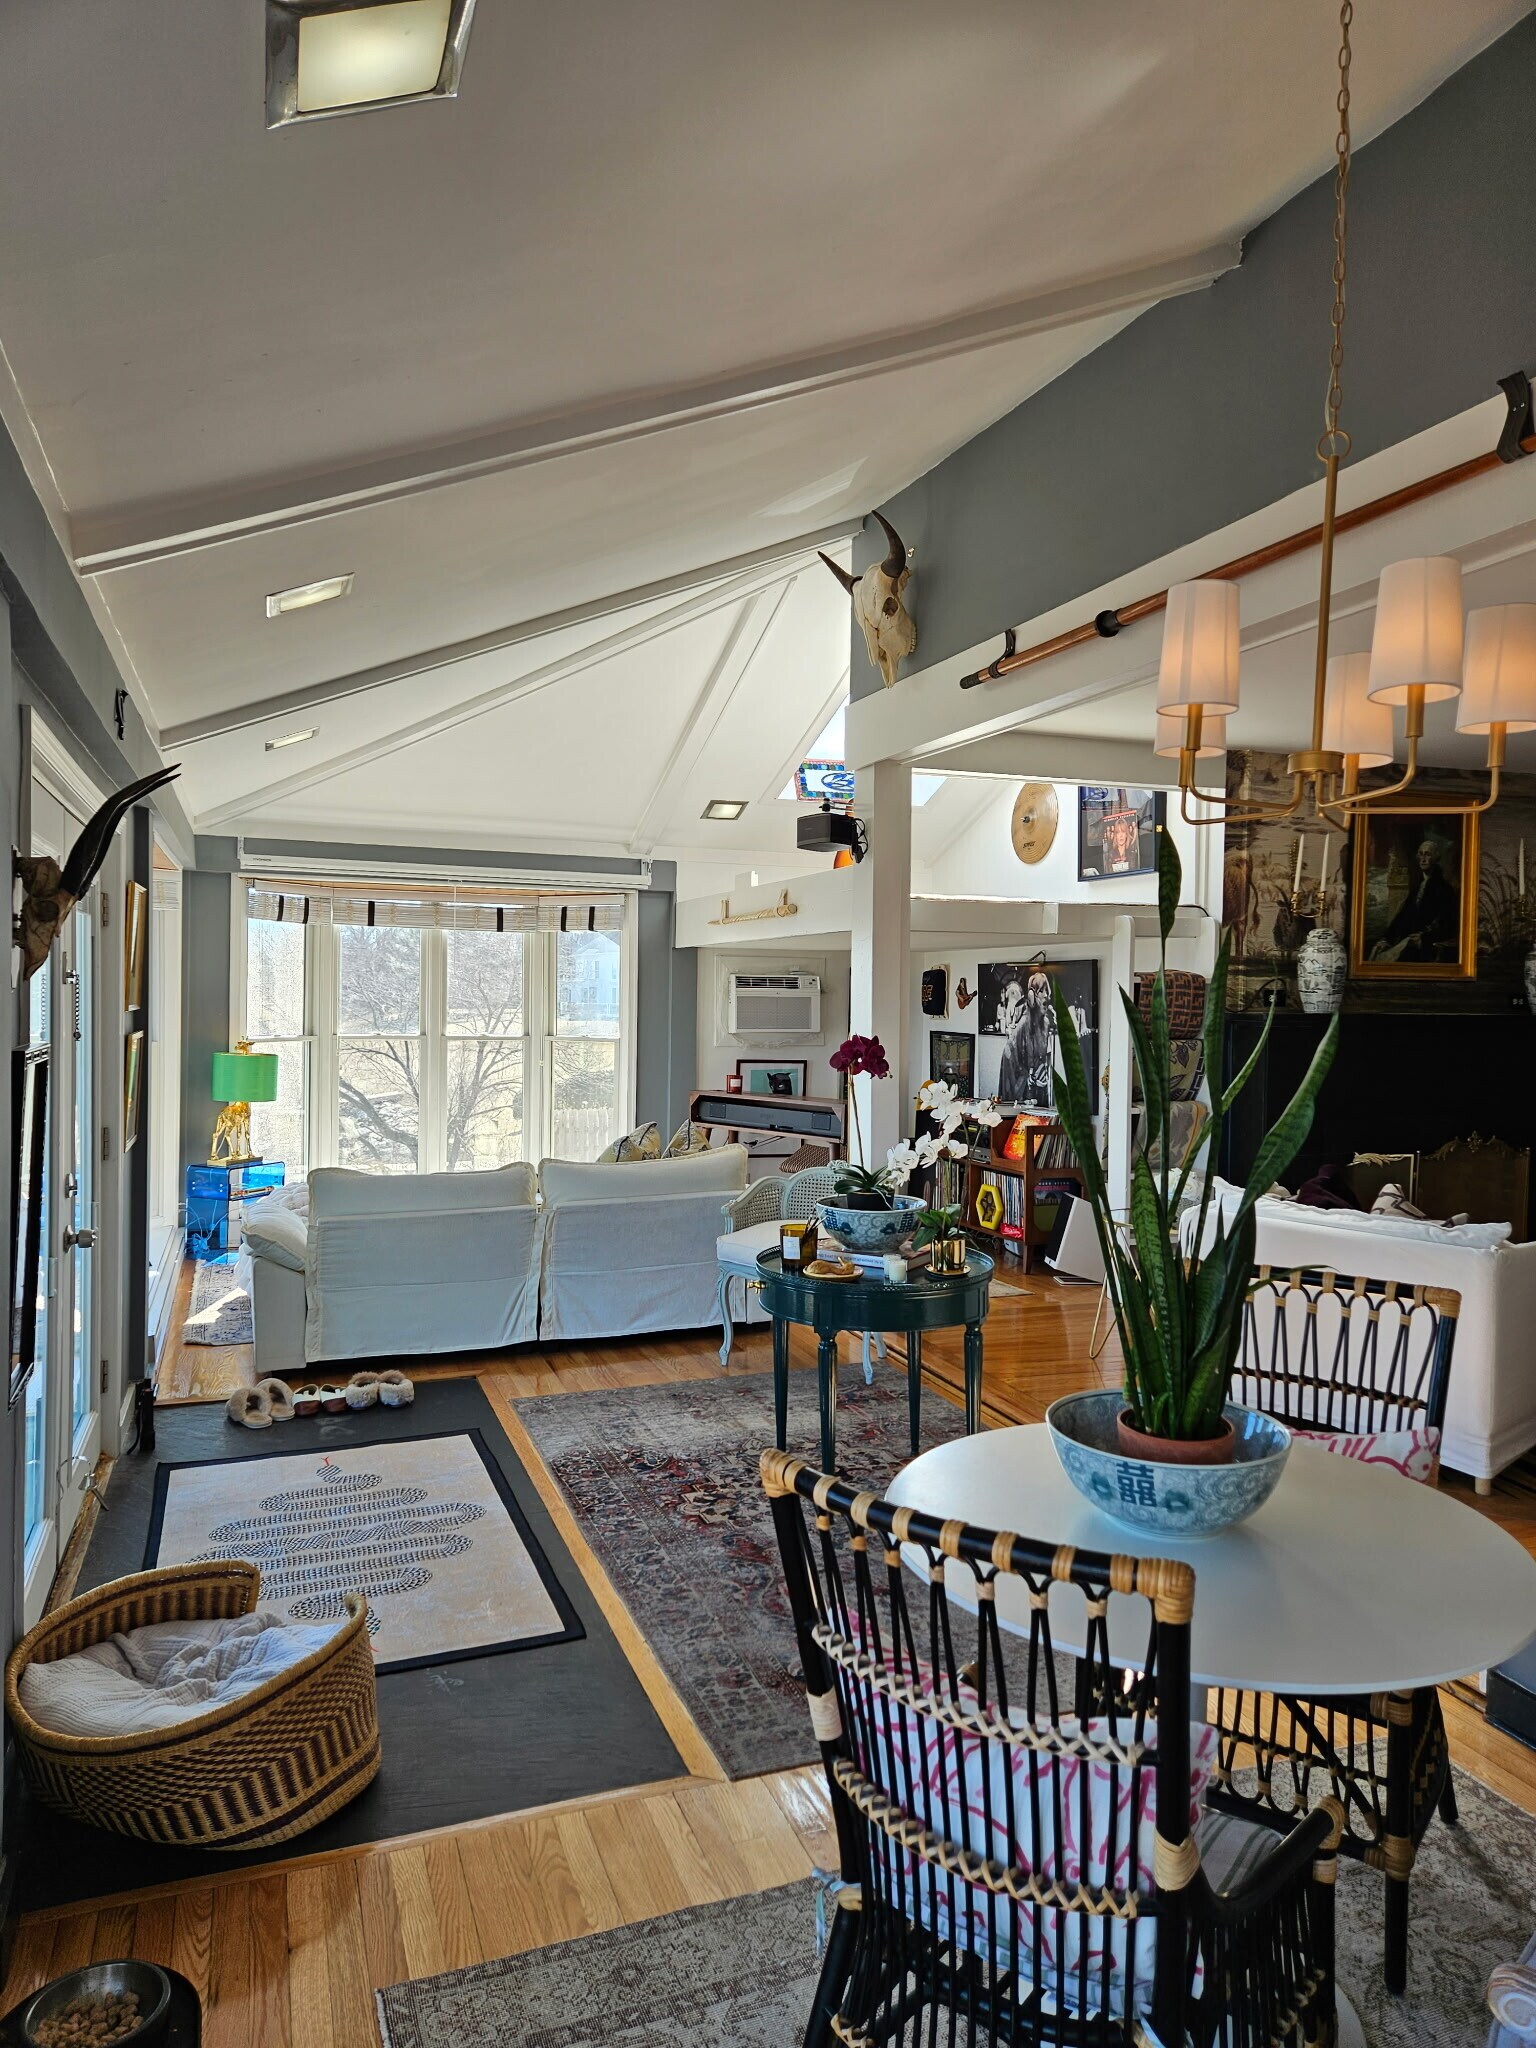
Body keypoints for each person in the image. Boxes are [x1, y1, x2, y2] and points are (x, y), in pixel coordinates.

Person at [1370, 835, 1458, 962]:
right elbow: (1403, 916)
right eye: (1421, 855)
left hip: (1425, 944)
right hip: (1408, 939)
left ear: (1435, 858)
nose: (1423, 859)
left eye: (1427, 855)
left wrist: (1424, 938)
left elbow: (1448, 923)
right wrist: (1386, 939)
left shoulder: (1444, 889)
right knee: (1378, 951)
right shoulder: (1418, 887)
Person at [998, 970, 1055, 1102]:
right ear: (1032, 995)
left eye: (1047, 991)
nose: (1047, 995)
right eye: (1042, 991)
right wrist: (1026, 1076)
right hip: (1027, 1093)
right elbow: (1008, 1055)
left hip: (1041, 1089)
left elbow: (1044, 1058)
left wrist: (1043, 1072)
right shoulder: (1024, 1024)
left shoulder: (1046, 1023)